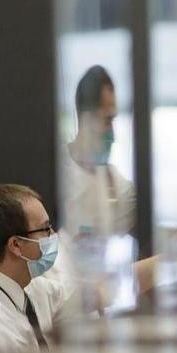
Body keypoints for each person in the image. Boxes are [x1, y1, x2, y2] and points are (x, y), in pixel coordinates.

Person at [0, 184, 177, 353]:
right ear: (16, 245)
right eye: (45, 229)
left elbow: (107, 289)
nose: (54, 237)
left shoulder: (30, 288)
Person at [63, 65, 135, 236]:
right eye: (107, 119)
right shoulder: (58, 172)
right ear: (84, 119)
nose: (112, 133)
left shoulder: (116, 183)